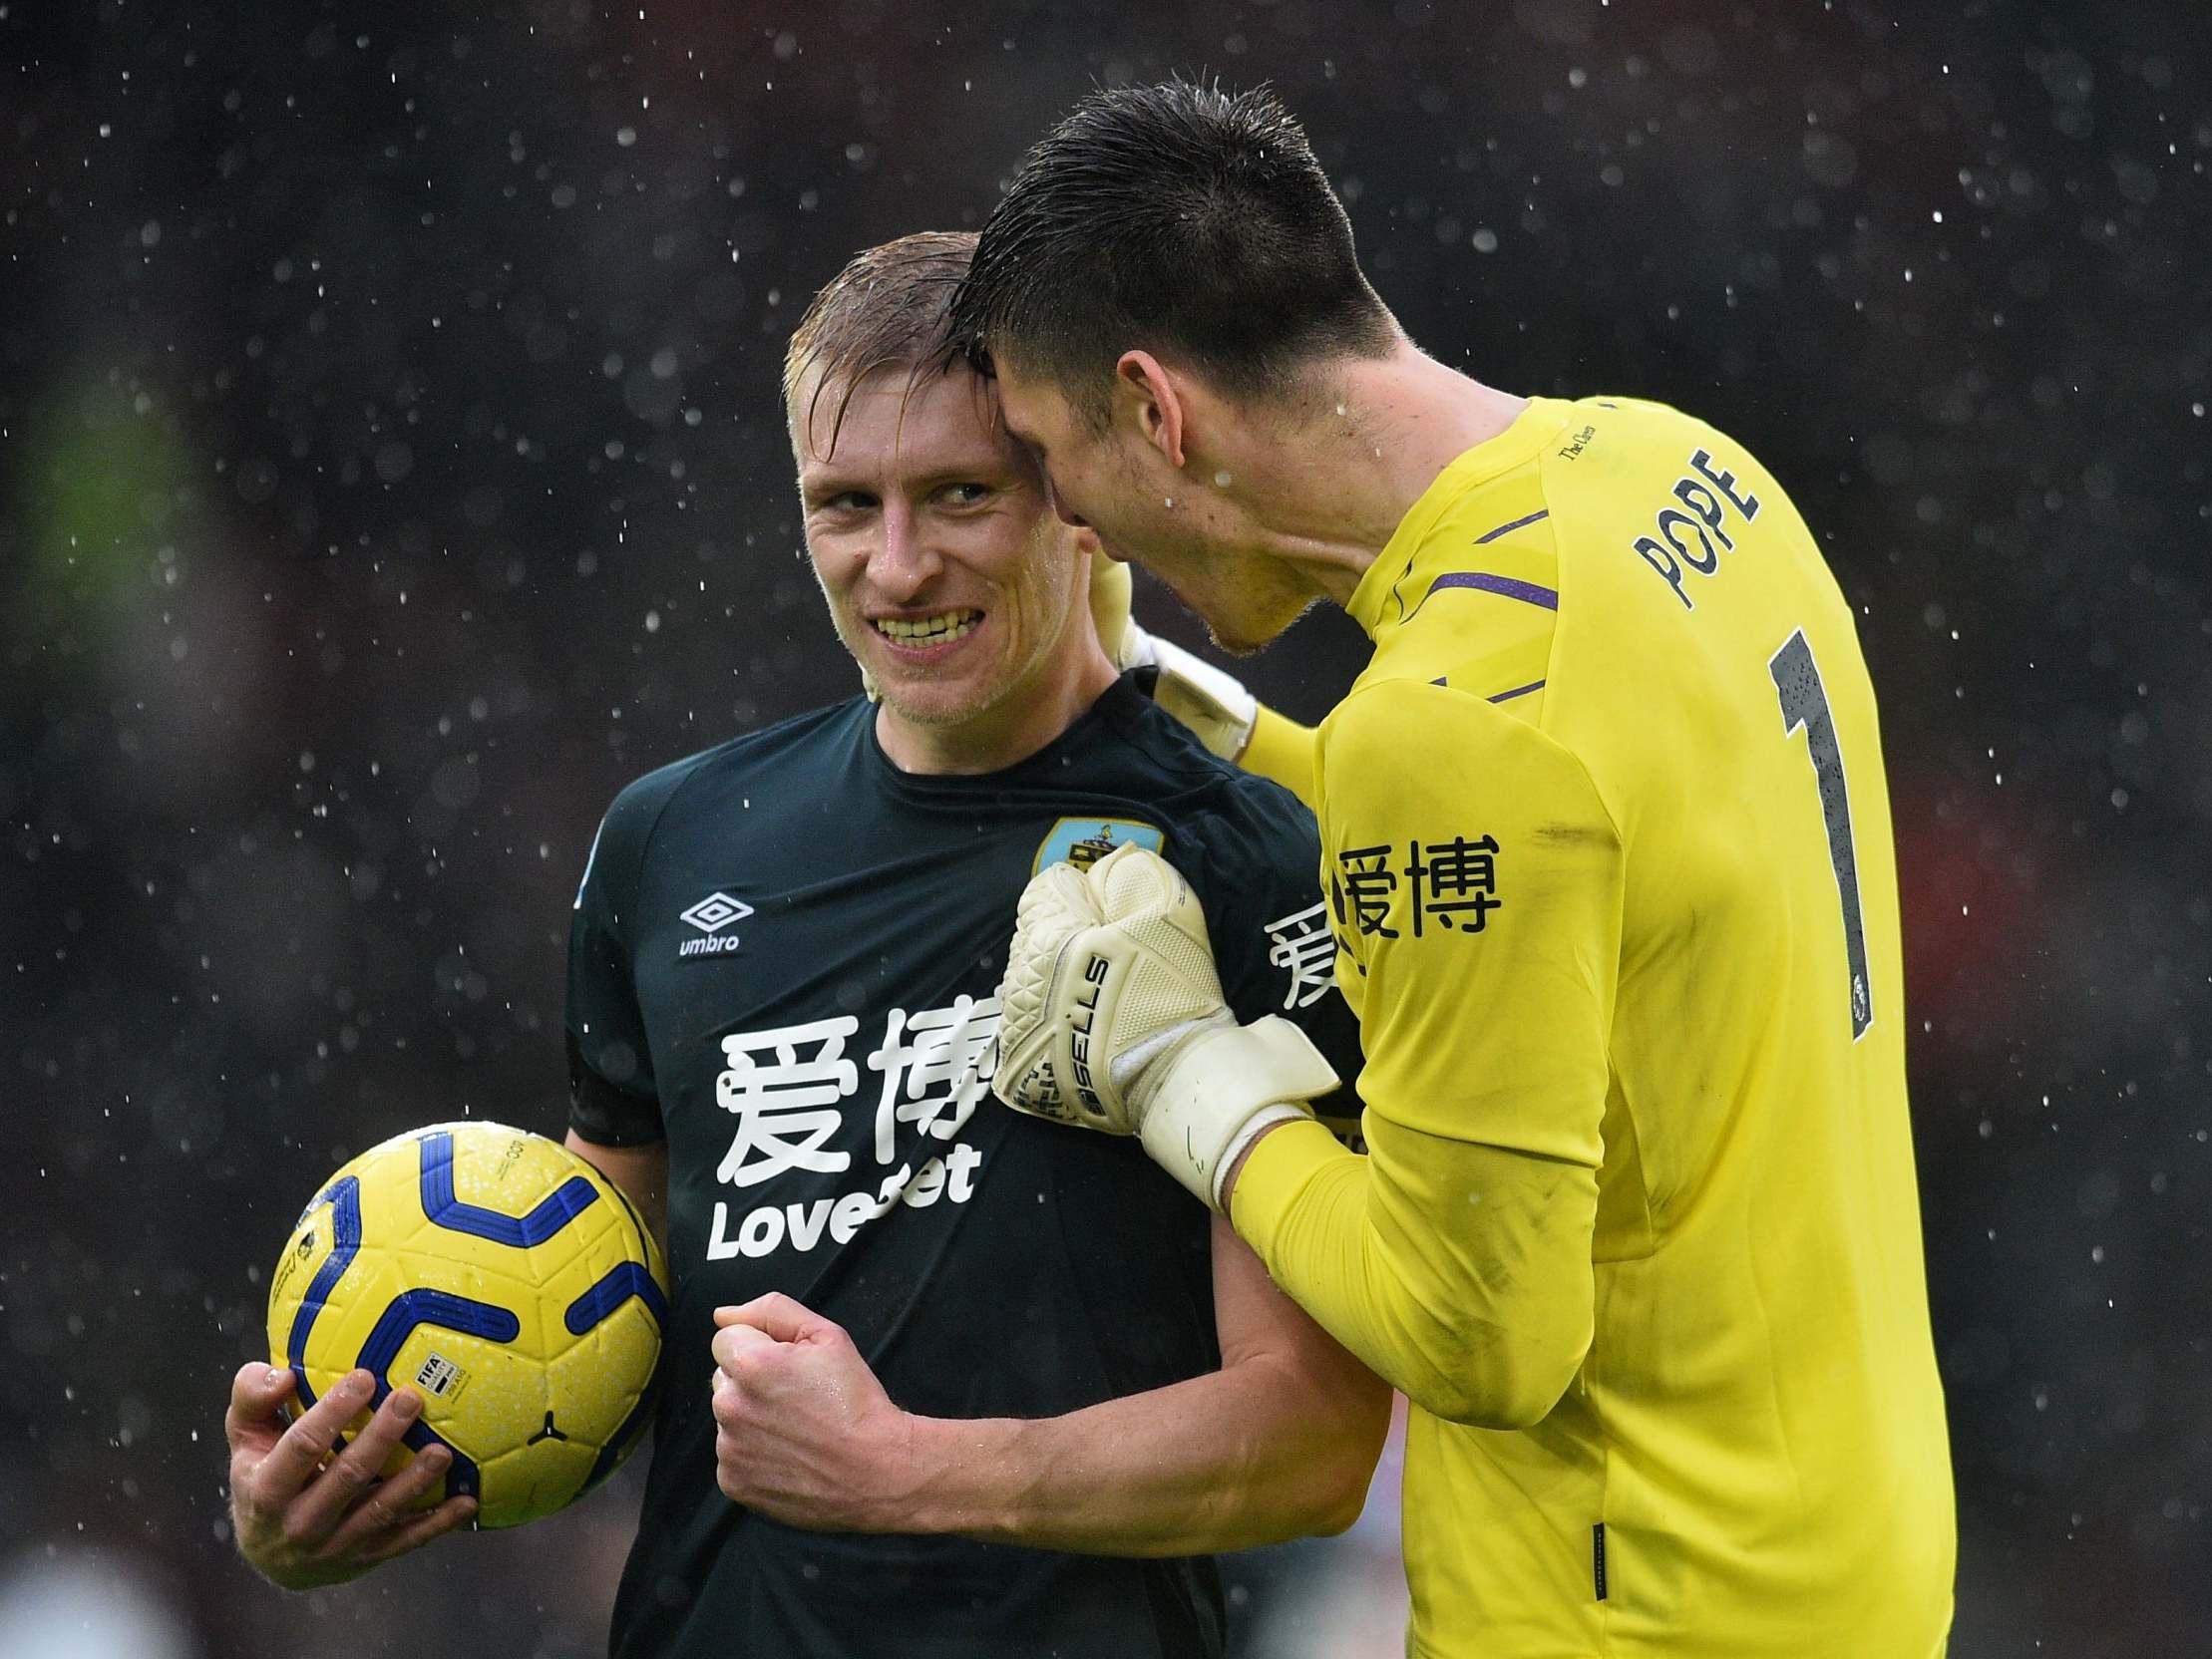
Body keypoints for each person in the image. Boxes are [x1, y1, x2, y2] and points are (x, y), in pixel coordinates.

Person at [222, 229, 1390, 1659]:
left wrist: (910, 1473)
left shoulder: (1242, 857)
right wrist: (346, 1491)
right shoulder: (672, 843)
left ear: (1079, 495)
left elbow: (1312, 1441)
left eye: (959, 493)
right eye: (845, 505)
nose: (897, 567)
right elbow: (582, 1347)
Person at [955, 81, 1956, 1657]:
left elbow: (1481, 1337)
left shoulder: (1455, 734)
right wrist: (1182, 711)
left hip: (1624, 1604)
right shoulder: (1675, 470)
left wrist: (1178, 1081)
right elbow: (1563, 827)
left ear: (1157, 412)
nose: (1076, 522)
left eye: (1051, 456)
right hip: (1843, 1541)